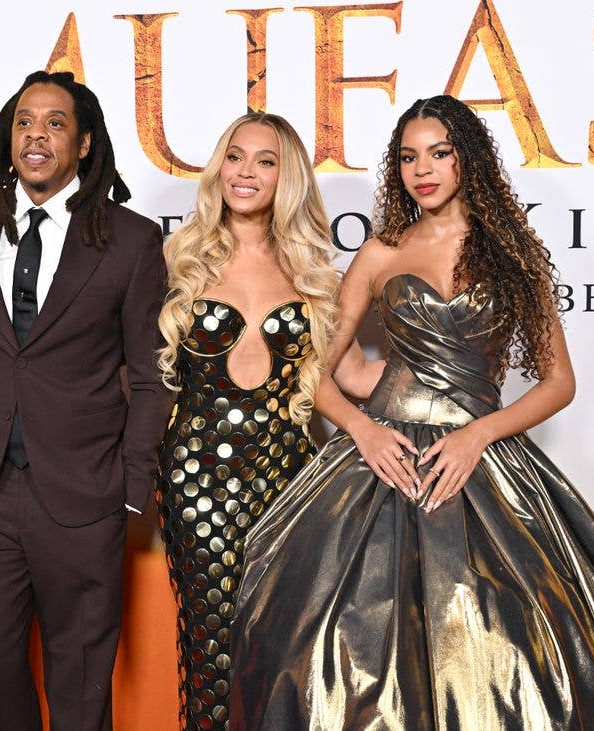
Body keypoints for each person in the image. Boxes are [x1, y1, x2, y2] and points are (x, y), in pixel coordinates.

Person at [229, 95, 594, 729]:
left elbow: (558, 383)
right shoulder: (380, 253)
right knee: (332, 643)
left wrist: (478, 434)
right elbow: (317, 372)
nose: (422, 169)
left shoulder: (513, 254)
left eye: (439, 153)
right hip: (384, 460)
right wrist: (365, 430)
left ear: (467, 159)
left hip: (481, 459)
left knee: (515, 646)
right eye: (407, 157)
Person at [0, 70, 171, 731]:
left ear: (86, 143)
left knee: (79, 681)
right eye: (23, 122)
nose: (36, 134)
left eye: (56, 123)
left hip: (84, 492)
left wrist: (131, 486)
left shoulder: (130, 239)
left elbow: (151, 373)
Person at [156, 112, 383, 731]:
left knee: (282, 652)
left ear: (288, 178)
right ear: (219, 168)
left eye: (265, 160)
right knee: (210, 645)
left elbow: (357, 378)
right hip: (196, 479)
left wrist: (451, 384)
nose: (246, 172)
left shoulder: (316, 274)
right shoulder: (179, 259)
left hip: (290, 479)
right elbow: (134, 369)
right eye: (235, 157)